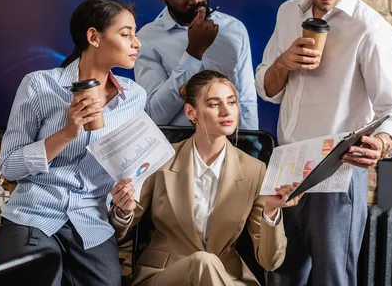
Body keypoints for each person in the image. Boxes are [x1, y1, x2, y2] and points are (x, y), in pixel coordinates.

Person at [255, 0, 392, 285]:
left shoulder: (371, 30)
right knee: (279, 275)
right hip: (286, 168)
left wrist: (383, 144)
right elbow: (266, 88)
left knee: (333, 279)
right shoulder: (288, 14)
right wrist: (284, 62)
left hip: (336, 174)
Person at [0, 0, 145, 286]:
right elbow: (10, 168)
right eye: (125, 34)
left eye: (134, 34)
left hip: (90, 221)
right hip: (33, 214)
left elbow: (124, 167)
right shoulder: (39, 85)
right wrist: (67, 133)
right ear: (94, 37)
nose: (136, 43)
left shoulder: (135, 97)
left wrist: (122, 206)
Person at [110, 70, 299, 285]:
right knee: (202, 261)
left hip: (228, 276)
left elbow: (270, 262)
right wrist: (122, 211)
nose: (227, 111)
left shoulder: (254, 170)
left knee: (206, 263)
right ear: (191, 112)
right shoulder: (160, 159)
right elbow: (119, 235)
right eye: (214, 104)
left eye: (232, 102)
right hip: (165, 274)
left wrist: (271, 211)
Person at [135, 0, 258, 130]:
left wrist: (251, 147)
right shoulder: (147, 39)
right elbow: (155, 116)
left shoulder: (234, 29)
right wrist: (193, 53)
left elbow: (246, 100)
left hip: (231, 148)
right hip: (179, 151)